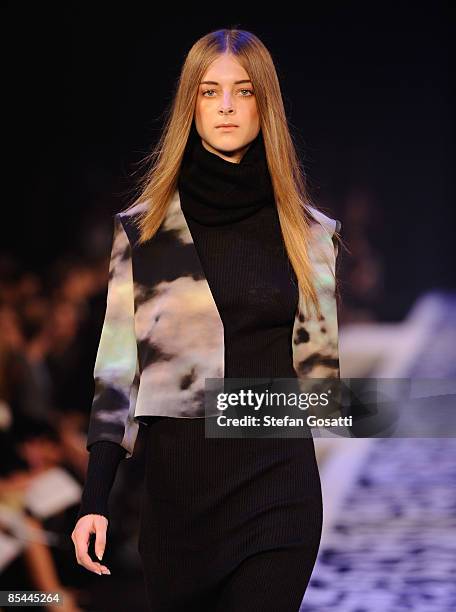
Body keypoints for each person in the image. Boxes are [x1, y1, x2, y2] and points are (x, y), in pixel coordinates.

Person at [72, 27, 342, 611]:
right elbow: (117, 373)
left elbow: (322, 391)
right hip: (179, 506)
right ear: (188, 105)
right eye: (208, 91)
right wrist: (95, 499)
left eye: (243, 91)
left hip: (278, 495)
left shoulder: (310, 235)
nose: (225, 105)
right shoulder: (144, 233)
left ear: (264, 104)